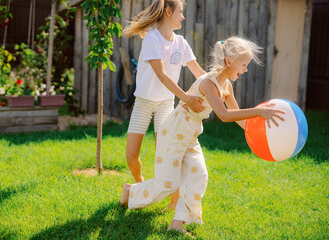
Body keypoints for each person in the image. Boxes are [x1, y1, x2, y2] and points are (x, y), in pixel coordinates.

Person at [120, 36, 285, 234]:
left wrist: (259, 134)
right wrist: (258, 111)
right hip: (173, 132)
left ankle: (177, 223)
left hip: (190, 135)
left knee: (200, 176)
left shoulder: (227, 86)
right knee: (167, 184)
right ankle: (131, 191)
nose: (245, 70)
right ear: (229, 61)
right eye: (244, 64)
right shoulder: (208, 83)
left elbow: (239, 117)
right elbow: (224, 115)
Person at [122, 0, 206, 209]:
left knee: (169, 154)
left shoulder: (181, 43)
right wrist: (186, 98)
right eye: (181, 12)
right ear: (168, 12)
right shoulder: (151, 39)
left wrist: (217, 81)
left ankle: (173, 202)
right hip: (143, 102)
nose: (183, 17)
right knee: (131, 155)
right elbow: (161, 75)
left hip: (165, 104)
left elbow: (198, 72)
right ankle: (138, 188)